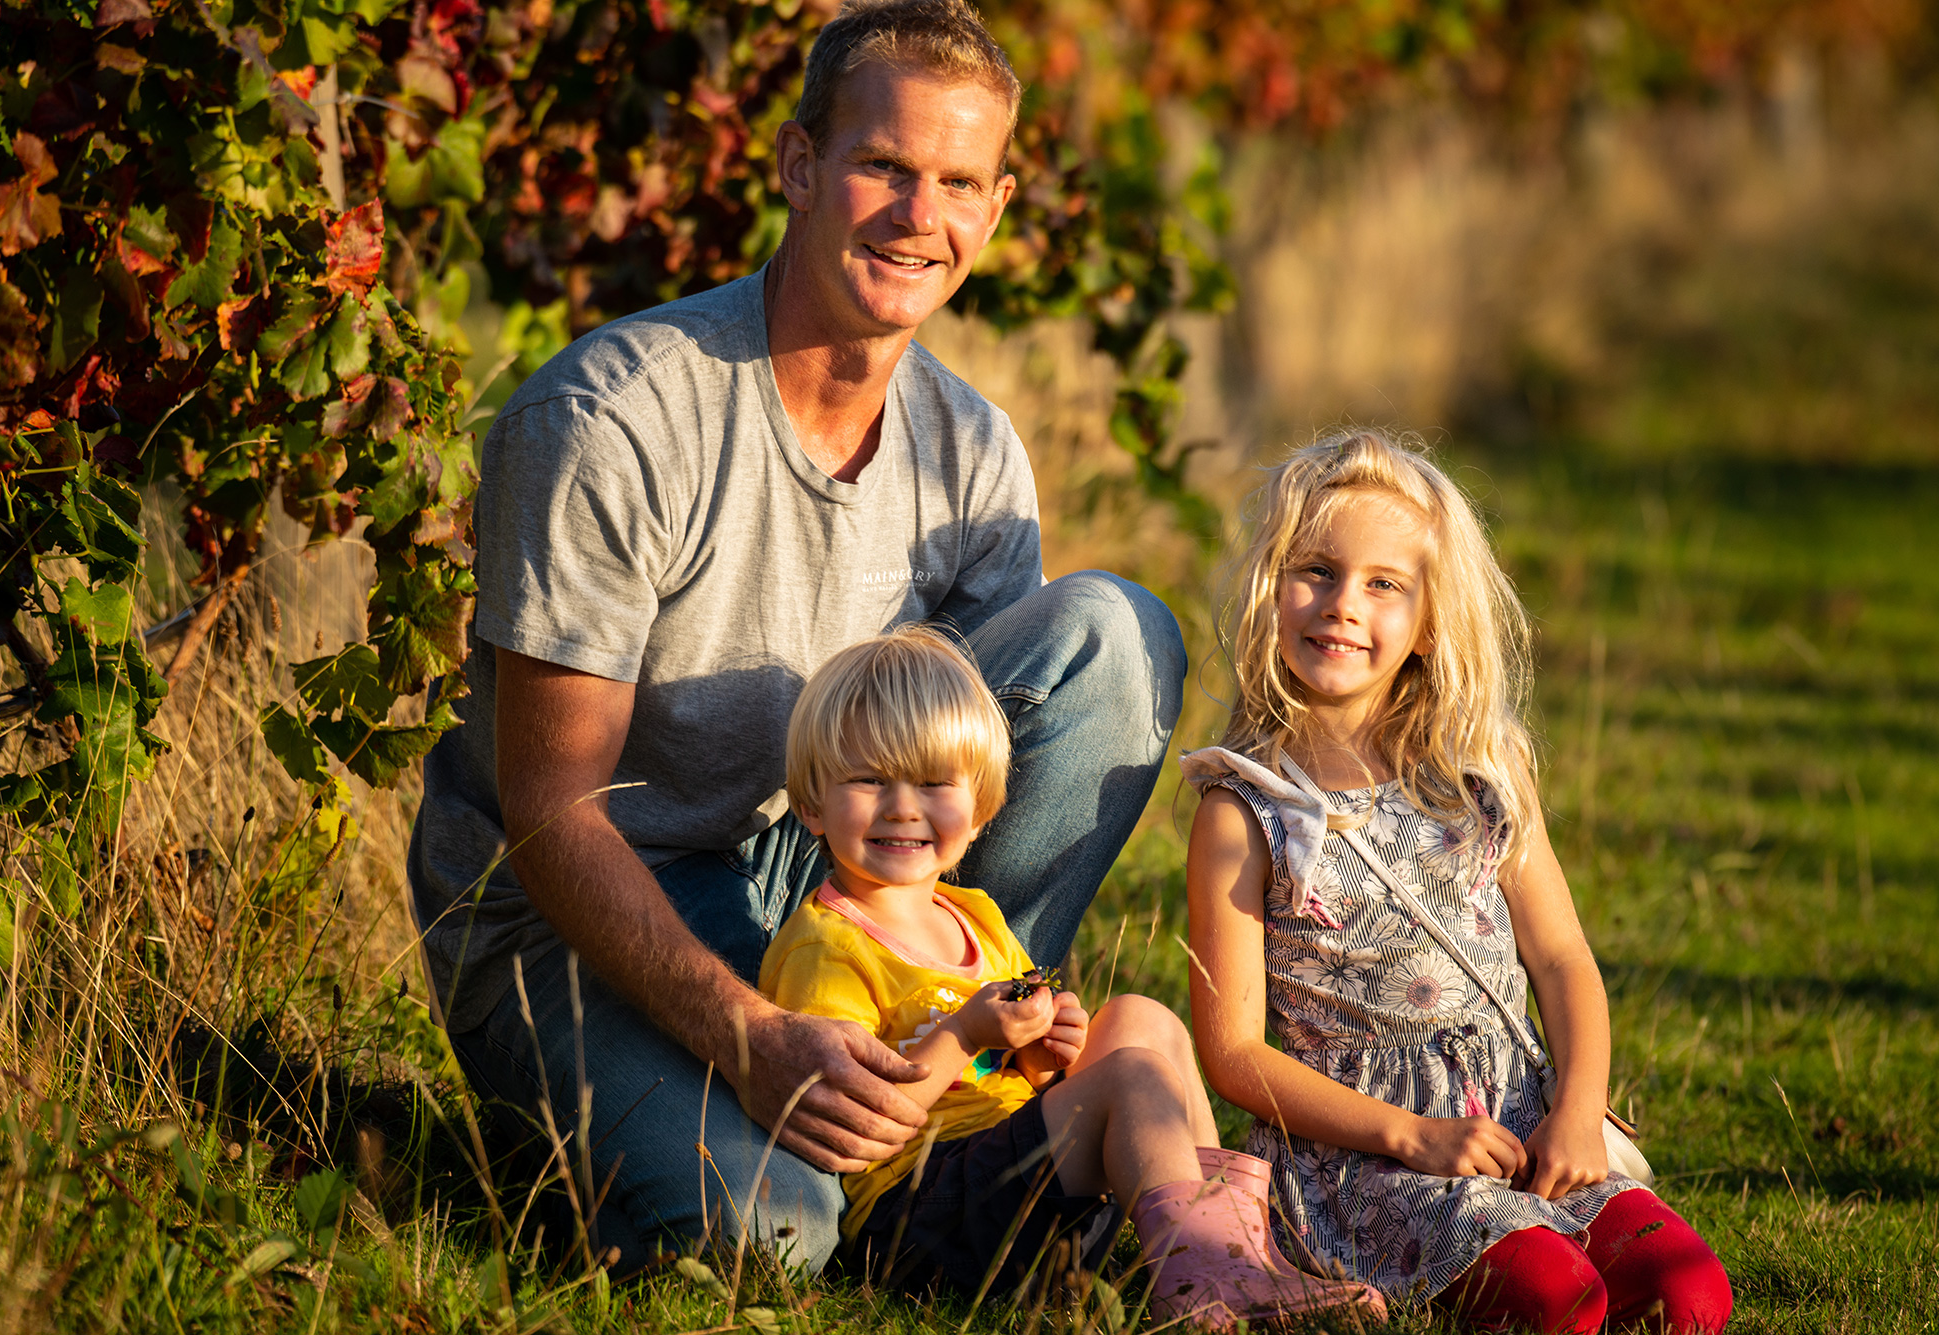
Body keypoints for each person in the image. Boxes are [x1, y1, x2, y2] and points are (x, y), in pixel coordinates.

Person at [405, 0, 1186, 1273]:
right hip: (573, 906)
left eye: (955, 183)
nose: (915, 215)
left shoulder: (973, 450)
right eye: (882, 166)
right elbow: (550, 812)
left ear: (993, 207)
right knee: (771, 1234)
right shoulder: (614, 420)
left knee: (1112, 638)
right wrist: (751, 1038)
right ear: (798, 167)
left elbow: (967, 774)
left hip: (818, 875)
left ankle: (957, 1120)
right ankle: (607, 1136)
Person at [1181, 430, 1734, 1333]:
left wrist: (1579, 1110)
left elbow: (1560, 957)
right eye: (1314, 569)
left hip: (1522, 1116)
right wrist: (1417, 1137)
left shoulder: (1479, 772)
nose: (1341, 606)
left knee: (1688, 1293)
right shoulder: (1244, 810)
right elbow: (1235, 1053)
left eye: (1383, 584)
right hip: (1370, 1154)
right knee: (1558, 1299)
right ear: (1270, 584)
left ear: (1430, 619)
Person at [758, 626, 1386, 1328]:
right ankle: (1202, 1281)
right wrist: (966, 1032)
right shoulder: (826, 945)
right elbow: (860, 1115)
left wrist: (1040, 1050)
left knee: (1144, 1019)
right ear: (811, 804)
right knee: (1131, 1076)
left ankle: (1238, 1251)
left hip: (1011, 1186)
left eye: (934, 783)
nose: (904, 806)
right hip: (918, 1218)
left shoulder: (974, 913)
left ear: (981, 808)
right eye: (871, 779)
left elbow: (1020, 1073)